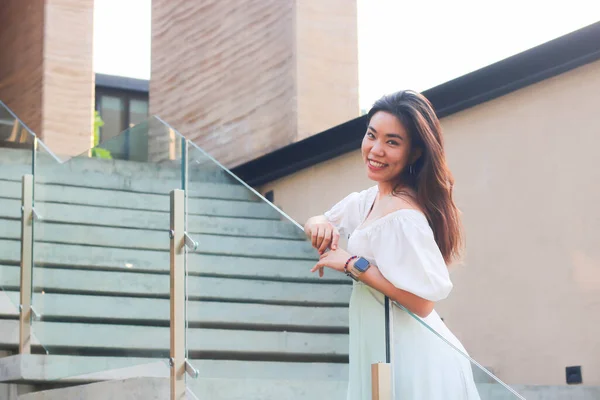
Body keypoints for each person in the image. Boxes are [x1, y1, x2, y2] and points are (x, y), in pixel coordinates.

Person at [304, 90, 481, 399]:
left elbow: (423, 304)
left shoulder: (404, 215)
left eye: (392, 142)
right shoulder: (371, 199)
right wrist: (317, 222)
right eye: (372, 136)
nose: (376, 149)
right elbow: (325, 218)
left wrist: (352, 264)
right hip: (381, 345)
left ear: (414, 154)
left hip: (412, 358)